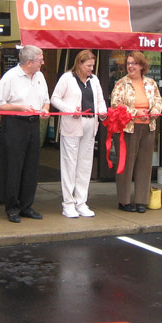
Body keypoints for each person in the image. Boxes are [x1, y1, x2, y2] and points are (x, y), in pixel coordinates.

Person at [0, 45, 50, 223]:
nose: (43, 63)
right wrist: (19, 107)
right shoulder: (10, 77)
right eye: (40, 60)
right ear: (29, 62)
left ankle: (27, 205)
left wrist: (45, 109)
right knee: (14, 167)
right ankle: (12, 207)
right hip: (15, 124)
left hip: (34, 124)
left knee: (31, 166)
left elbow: (46, 99)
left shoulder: (39, 76)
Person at [51, 50, 107, 218]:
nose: (91, 69)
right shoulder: (67, 78)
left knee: (85, 164)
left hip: (91, 124)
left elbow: (100, 100)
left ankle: (81, 202)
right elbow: (55, 98)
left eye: (93, 65)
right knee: (70, 164)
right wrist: (69, 110)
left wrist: (103, 112)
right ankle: (68, 203)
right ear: (79, 64)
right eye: (88, 65)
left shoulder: (94, 79)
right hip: (72, 125)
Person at [110, 51, 162, 213]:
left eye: (134, 63)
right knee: (126, 166)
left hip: (147, 127)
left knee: (144, 165)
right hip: (128, 129)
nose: (131, 66)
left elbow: (159, 100)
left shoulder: (151, 83)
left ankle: (141, 200)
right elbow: (116, 104)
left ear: (142, 65)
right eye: (129, 63)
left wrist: (154, 111)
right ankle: (124, 201)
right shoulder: (121, 83)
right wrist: (135, 112)